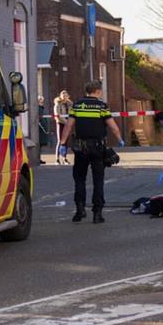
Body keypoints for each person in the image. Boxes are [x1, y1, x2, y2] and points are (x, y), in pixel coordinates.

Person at [58, 82, 123, 224]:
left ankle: (80, 209)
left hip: (81, 148)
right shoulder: (101, 106)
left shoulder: (77, 105)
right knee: (98, 180)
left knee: (79, 179)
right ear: (98, 91)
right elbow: (113, 126)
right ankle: (97, 213)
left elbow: (69, 125)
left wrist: (63, 142)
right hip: (98, 148)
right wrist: (119, 139)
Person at [53, 90, 74, 165]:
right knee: (60, 141)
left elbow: (72, 113)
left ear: (68, 96)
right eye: (63, 95)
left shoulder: (70, 104)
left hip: (67, 124)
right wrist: (66, 122)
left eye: (66, 95)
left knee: (65, 141)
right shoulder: (57, 104)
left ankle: (64, 158)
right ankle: (57, 159)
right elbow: (57, 114)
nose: (64, 97)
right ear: (60, 96)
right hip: (60, 123)